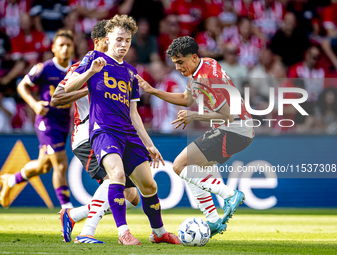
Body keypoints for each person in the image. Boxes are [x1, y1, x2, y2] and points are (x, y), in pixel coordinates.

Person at [64, 14, 180, 246]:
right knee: (116, 175)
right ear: (108, 39)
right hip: (104, 131)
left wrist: (149, 143)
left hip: (128, 133)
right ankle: (123, 232)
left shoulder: (130, 73)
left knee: (148, 186)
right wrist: (90, 73)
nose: (123, 45)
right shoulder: (93, 58)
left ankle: (159, 233)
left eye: (127, 40)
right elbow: (67, 88)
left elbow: (134, 113)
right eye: (118, 40)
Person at [135, 36, 254, 237]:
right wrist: (153, 90)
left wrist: (195, 115)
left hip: (234, 128)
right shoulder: (205, 65)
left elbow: (226, 115)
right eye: (175, 63)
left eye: (181, 62)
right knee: (191, 171)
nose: (178, 67)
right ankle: (214, 221)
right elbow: (186, 98)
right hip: (237, 129)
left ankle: (229, 194)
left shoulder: (207, 78)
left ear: (193, 57)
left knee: (179, 165)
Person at [51, 20, 140, 244]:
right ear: (100, 41)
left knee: (132, 197)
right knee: (114, 177)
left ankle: (72, 215)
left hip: (112, 131)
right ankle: (87, 231)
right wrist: (90, 85)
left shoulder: (118, 69)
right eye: (110, 41)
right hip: (87, 135)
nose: (114, 47)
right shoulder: (85, 65)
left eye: (123, 41)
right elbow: (57, 97)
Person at [0, 30, 75, 209]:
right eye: (61, 45)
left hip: (63, 122)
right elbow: (22, 86)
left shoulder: (76, 69)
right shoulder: (44, 68)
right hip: (47, 121)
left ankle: (10, 180)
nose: (65, 48)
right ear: (53, 48)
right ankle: (67, 209)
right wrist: (34, 105)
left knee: (43, 166)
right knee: (61, 164)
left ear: (72, 48)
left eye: (68, 45)